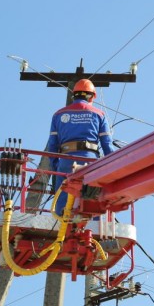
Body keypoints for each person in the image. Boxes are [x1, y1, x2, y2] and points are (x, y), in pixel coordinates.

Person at [45, 78, 115, 215]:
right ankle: (92, 224)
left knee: (64, 196)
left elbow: (52, 145)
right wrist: (111, 168)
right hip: (90, 162)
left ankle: (62, 221)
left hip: (65, 160)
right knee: (91, 196)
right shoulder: (99, 114)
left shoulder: (58, 115)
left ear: (74, 95)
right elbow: (107, 145)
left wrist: (56, 167)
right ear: (90, 96)